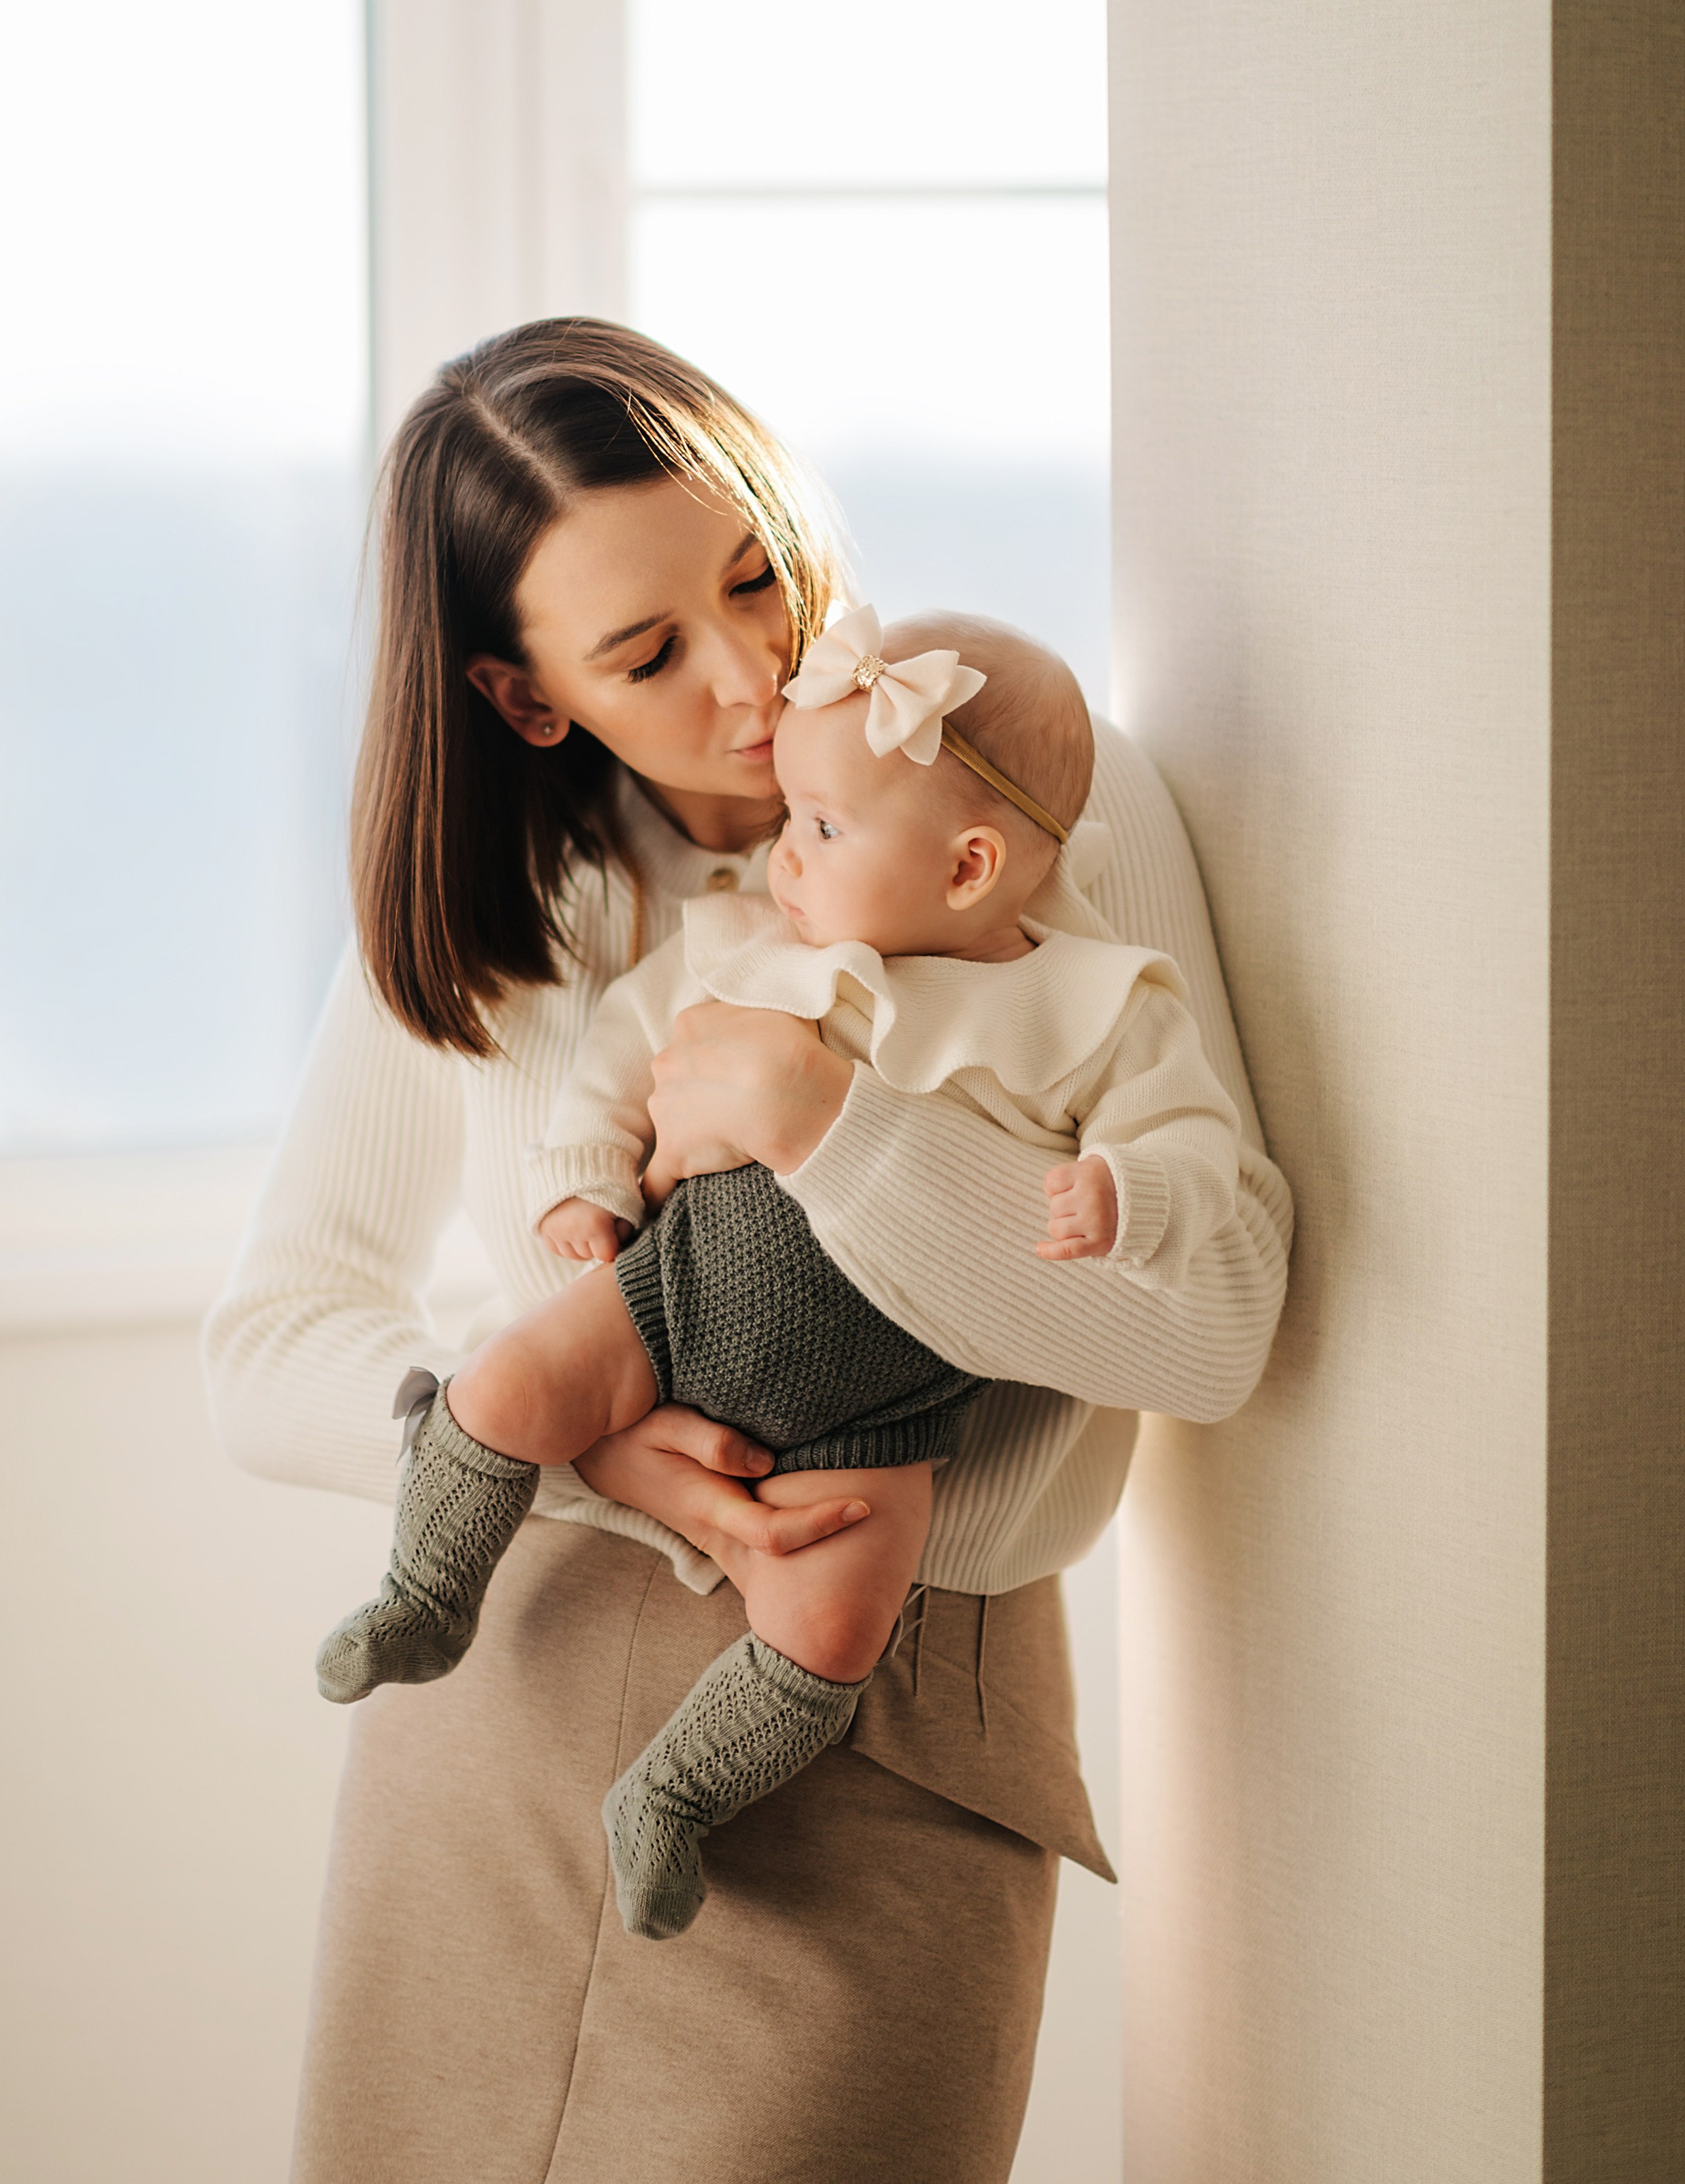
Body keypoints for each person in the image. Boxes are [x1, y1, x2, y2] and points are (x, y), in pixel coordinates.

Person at [202, 319, 1291, 2184]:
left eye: (757, 575)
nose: (753, 667)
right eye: (645, 652)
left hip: (885, 1695)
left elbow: (1208, 1331)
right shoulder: (509, 903)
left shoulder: (1030, 796)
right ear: (525, 696)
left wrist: (831, 1126)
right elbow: (274, 1336)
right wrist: (589, 1449)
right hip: (509, 1698)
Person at [314, 604, 1245, 1948]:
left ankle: (676, 1795)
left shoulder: (1097, 1000)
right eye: (635, 646)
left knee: (833, 1622)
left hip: (885, 1407)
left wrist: (1129, 1191)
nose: (780, 851)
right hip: (672, 1294)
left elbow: (1188, 1141)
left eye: (818, 827)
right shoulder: (756, 937)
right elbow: (626, 1053)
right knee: (505, 1384)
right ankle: (421, 1592)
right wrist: (581, 1176)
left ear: (971, 864)